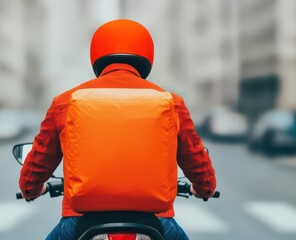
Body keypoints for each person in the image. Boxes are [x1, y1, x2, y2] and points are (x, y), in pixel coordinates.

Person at [19, 19, 217, 240]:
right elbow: (197, 161)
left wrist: (32, 189)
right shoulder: (172, 103)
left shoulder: (66, 102)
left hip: (80, 222)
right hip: (156, 221)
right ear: (146, 55)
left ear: (97, 54)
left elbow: (37, 165)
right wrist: (203, 188)